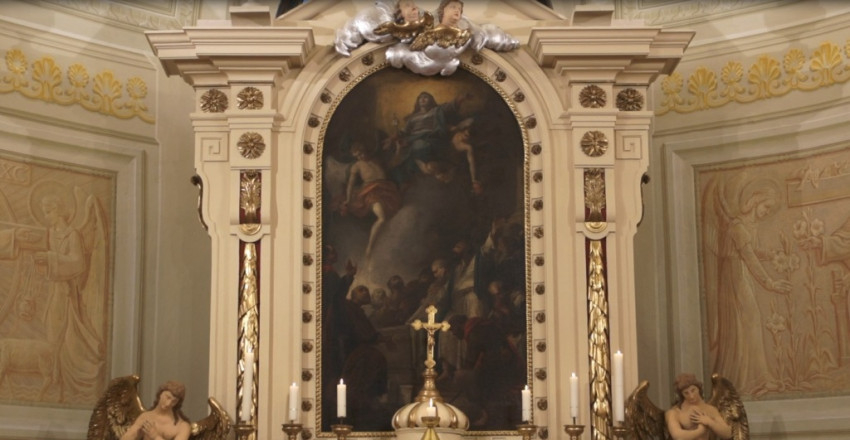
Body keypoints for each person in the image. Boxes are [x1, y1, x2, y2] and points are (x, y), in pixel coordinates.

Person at [703, 175, 792, 395]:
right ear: (755, 199)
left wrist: (769, 254)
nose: (767, 212)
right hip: (736, 278)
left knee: (749, 323)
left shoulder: (745, 226)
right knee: (747, 322)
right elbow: (748, 257)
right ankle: (750, 379)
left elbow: (750, 251)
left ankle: (757, 378)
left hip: (741, 275)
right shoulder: (738, 227)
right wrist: (770, 283)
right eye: (766, 207)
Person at [341, 141, 402, 258]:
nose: (360, 157)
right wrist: (348, 199)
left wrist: (398, 149)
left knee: (392, 218)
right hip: (371, 191)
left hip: (386, 190)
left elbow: (393, 163)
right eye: (357, 156)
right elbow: (350, 185)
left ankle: (384, 249)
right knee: (382, 218)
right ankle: (369, 249)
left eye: (361, 154)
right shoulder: (357, 165)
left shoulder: (377, 160)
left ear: (365, 150)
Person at [665, 373, 732, 440]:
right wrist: (700, 431)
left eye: (693, 390)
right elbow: (678, 436)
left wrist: (710, 422)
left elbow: (727, 433)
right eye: (686, 393)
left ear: (698, 389)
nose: (691, 396)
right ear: (682, 395)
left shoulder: (710, 409)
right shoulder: (674, 412)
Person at [121, 381, 191, 440]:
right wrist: (136, 433)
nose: (168, 403)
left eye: (174, 401)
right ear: (160, 394)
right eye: (167, 397)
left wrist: (155, 436)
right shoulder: (145, 417)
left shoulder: (182, 426)